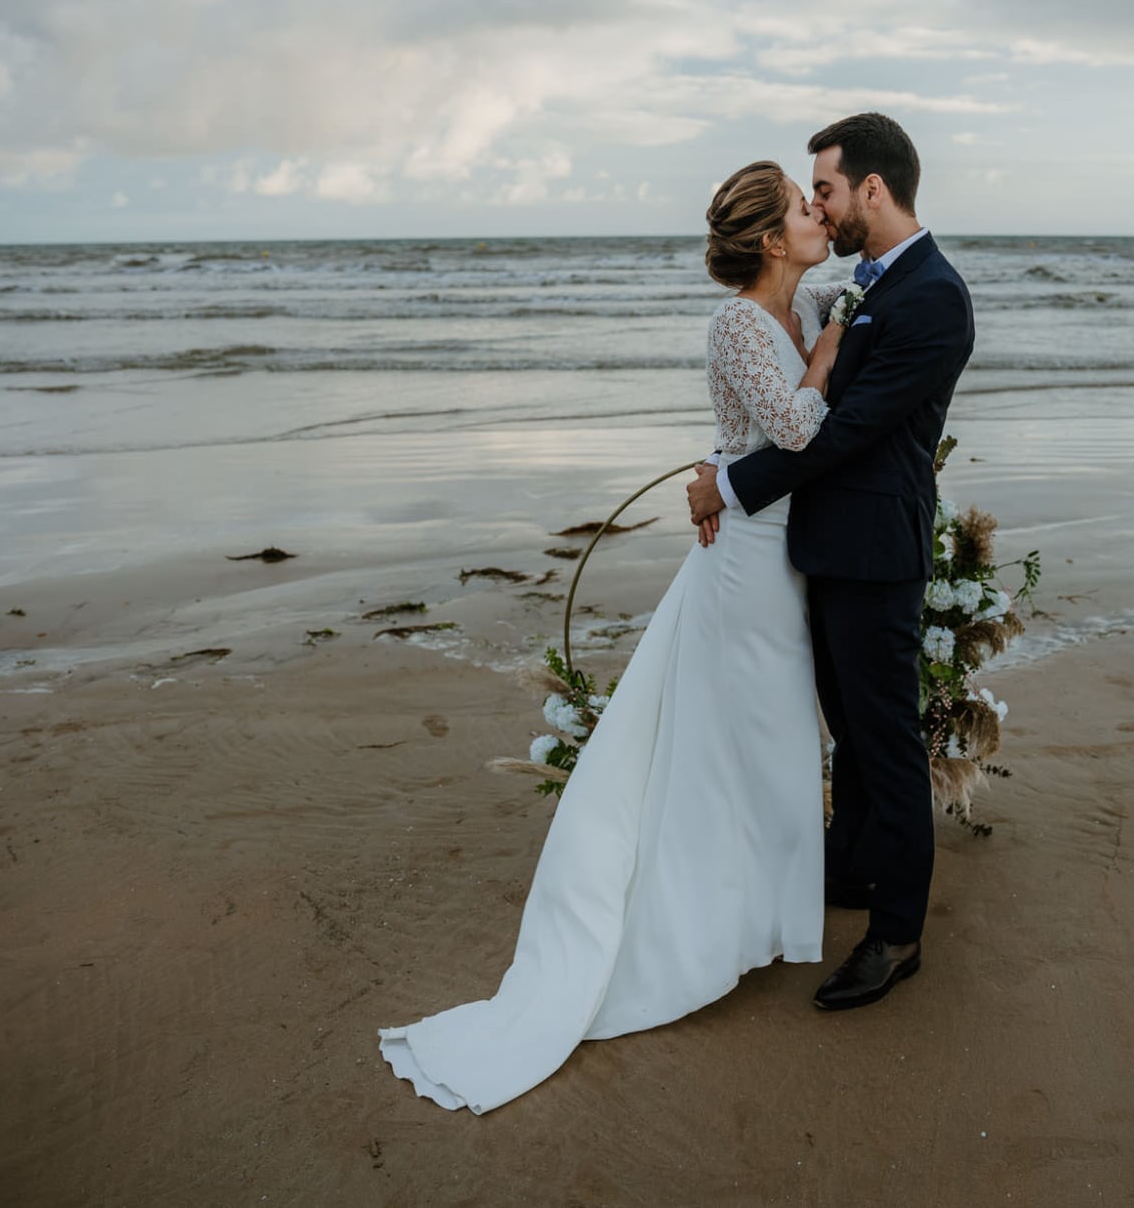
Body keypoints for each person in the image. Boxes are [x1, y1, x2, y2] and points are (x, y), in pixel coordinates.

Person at [377, 160, 848, 1114]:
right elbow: (796, 429)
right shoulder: (741, 323)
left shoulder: (808, 300)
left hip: (777, 551)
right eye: (804, 208)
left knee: (770, 740)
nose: (818, 215)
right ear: (769, 238)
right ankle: (698, 929)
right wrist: (833, 342)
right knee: (738, 744)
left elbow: (795, 389)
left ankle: (754, 913)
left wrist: (835, 315)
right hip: (745, 565)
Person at [688, 112, 976, 1012]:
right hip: (824, 547)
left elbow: (844, 431)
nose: (821, 204)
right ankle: (852, 870)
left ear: (873, 191)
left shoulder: (932, 295)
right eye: (811, 194)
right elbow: (780, 388)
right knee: (851, 728)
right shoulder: (861, 283)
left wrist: (730, 487)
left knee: (884, 741)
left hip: (874, 553)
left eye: (827, 189)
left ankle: (896, 934)